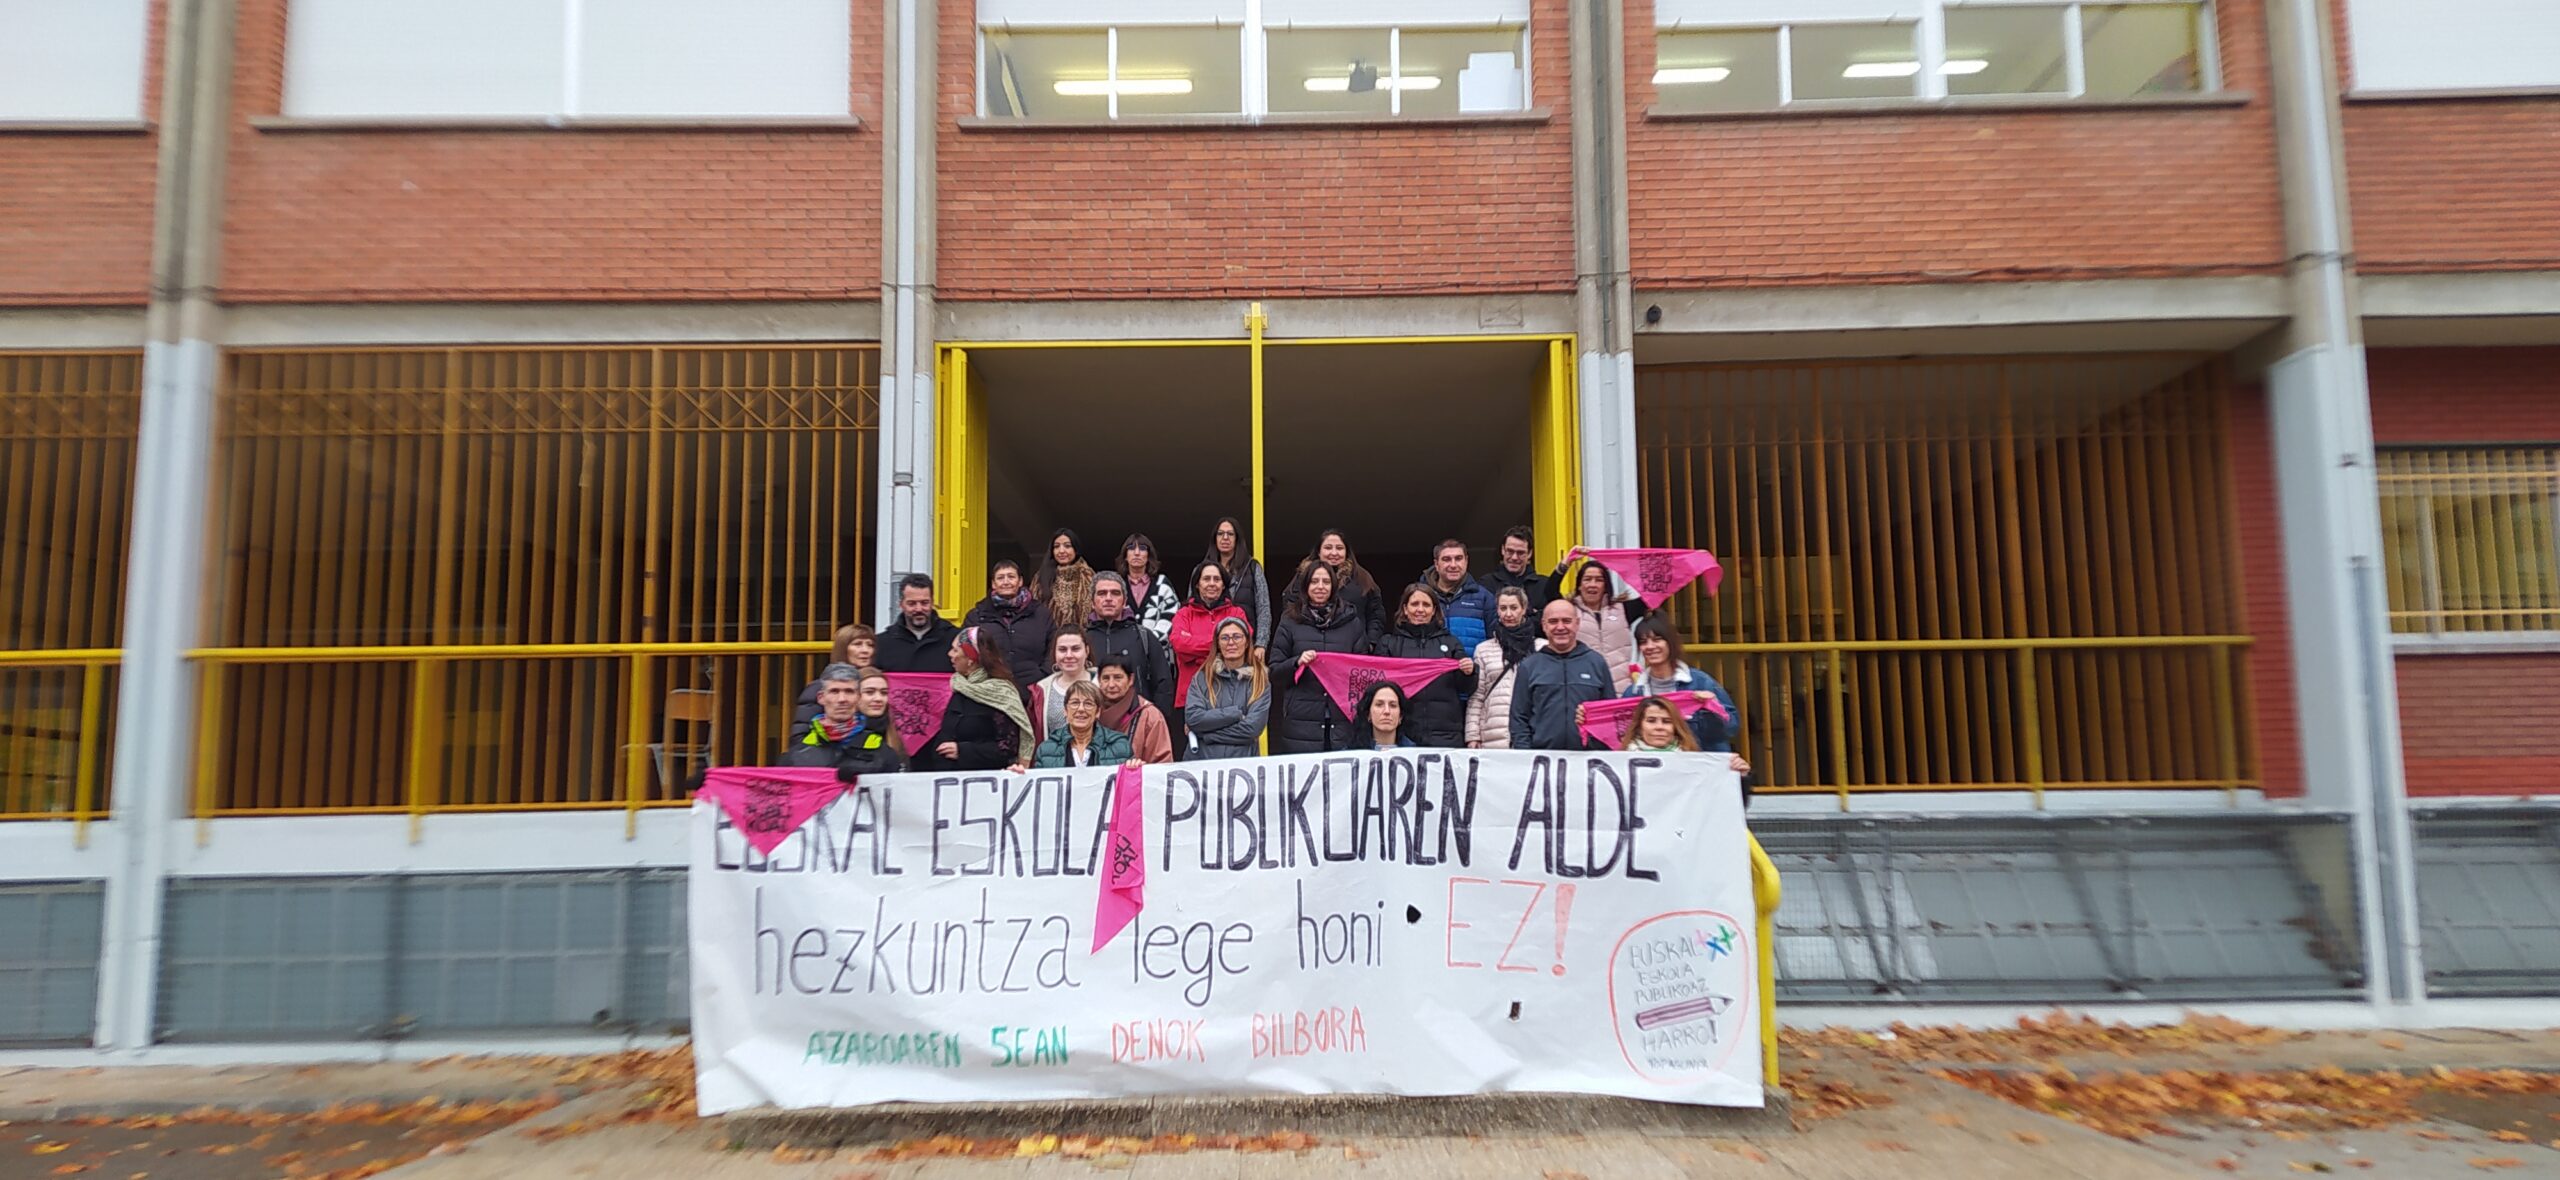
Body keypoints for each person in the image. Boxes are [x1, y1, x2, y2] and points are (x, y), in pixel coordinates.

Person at [1623, 614, 1751, 776]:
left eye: (1657, 639)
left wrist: (1713, 709)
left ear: (1671, 642)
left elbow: (1731, 728)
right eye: (1643, 642)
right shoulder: (1633, 693)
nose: (1650, 646)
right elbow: (1622, 737)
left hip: (1701, 776)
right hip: (1650, 777)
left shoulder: (1701, 682)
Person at [1267, 562, 1373, 753]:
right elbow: (1274, 672)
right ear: (1306, 586)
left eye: (1326, 581)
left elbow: (1362, 672)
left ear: (1333, 586)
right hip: (1301, 721)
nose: (1320, 586)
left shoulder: (1352, 622)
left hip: (1343, 719)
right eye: (1314, 581)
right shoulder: (1289, 621)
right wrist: (1297, 662)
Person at [911, 627, 1033, 772]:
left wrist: (963, 751)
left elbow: (1008, 747)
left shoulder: (1000, 693)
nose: (950, 654)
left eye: (955, 650)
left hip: (984, 779)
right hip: (947, 778)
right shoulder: (957, 685)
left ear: (970, 659)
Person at [1373, 583, 1476, 748]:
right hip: (1403, 734)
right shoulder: (1388, 643)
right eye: (1414, 604)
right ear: (1405, 609)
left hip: (1445, 734)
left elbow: (1466, 688)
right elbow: (1378, 685)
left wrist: (1469, 672)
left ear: (1434, 610)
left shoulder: (1451, 643)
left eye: (1426, 605)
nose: (1420, 610)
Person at [1510, 599, 1615, 750]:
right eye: (1553, 621)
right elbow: (1519, 718)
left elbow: (1610, 716)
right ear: (1544, 625)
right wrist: (1526, 754)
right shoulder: (1529, 666)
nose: (1560, 627)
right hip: (1542, 758)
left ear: (1577, 623)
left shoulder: (1597, 663)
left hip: (1589, 758)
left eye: (1566, 621)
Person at [1167, 559, 1247, 752]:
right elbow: (1178, 643)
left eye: (1217, 579)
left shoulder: (1236, 612)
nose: (1212, 583)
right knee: (1192, 757)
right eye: (1206, 579)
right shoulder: (1184, 613)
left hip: (1230, 696)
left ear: (1223, 585)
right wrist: (1219, 645)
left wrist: (1194, 651)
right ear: (1197, 584)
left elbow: (1243, 644)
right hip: (1190, 698)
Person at [1547, 547, 1650, 692]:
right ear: (1579, 585)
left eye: (1599, 580)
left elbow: (1652, 595)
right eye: (1587, 579)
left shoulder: (1623, 609)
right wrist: (1567, 562)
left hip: (1621, 690)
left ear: (1606, 586)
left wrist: (1625, 563)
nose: (1592, 584)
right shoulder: (1569, 611)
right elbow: (1549, 591)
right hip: (1583, 690)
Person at [780, 664, 905, 777]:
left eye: (849, 691)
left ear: (858, 697)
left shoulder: (883, 752)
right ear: (821, 698)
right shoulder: (796, 755)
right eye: (834, 691)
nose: (842, 699)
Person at [1085, 572, 1175, 715]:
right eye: (1102, 593)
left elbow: (1163, 685)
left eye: (1115, 593)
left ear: (1125, 601)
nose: (1108, 598)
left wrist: (1156, 719)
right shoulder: (1082, 640)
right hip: (1091, 721)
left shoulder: (1144, 636)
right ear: (1092, 602)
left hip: (1137, 719)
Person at [1466, 586, 1540, 749]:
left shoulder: (1541, 648)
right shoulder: (1483, 649)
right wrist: (1472, 735)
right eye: (1503, 608)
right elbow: (1477, 695)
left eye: (1514, 608)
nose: (1508, 614)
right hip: (1494, 733)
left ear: (1523, 609)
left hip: (1533, 733)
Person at [1185, 618, 1270, 759]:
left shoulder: (1259, 680)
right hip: (1202, 762)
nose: (1231, 642)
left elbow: (1252, 728)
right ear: (1218, 644)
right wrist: (1235, 714)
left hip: (1242, 763)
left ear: (1247, 642)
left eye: (1237, 637)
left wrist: (1206, 735)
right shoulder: (1201, 677)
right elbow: (1194, 718)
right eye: (1224, 638)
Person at [963, 559, 1053, 689]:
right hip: (990, 690)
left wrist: (1043, 675)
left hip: (1034, 689)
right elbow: (965, 651)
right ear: (993, 584)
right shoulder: (976, 616)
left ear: (1020, 581)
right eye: (1000, 578)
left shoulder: (1041, 613)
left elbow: (1053, 646)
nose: (1006, 582)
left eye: (1011, 577)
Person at [1289, 528, 1385, 647]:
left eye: (1339, 548)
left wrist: (1371, 643)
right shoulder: (1303, 577)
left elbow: (1376, 614)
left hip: (1351, 649)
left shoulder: (1362, 578)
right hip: (1309, 648)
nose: (1334, 553)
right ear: (1319, 552)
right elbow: (1290, 609)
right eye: (1328, 548)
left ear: (1346, 552)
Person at [1029, 680, 1138, 769]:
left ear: (1098, 712)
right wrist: (1020, 776)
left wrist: (1135, 769)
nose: (1081, 709)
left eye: (1088, 704)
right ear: (1065, 711)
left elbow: (1129, 783)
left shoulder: (1119, 746)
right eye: (1075, 703)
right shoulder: (1047, 749)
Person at [1094, 653, 1176, 764]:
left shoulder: (1149, 715)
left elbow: (1162, 763)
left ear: (1131, 679)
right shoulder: (1089, 712)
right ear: (1099, 680)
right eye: (1106, 678)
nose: (1111, 684)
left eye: (1118, 678)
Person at [1205, 517, 1271, 653]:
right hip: (1208, 646)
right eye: (1220, 533)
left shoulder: (1252, 567)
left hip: (1245, 644)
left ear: (1237, 539)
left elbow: (1263, 608)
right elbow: (1192, 605)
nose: (1225, 538)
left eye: (1230, 534)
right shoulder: (1202, 570)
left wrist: (1261, 644)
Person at [794, 623, 881, 723]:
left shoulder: (880, 684)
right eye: (857, 644)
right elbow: (804, 726)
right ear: (842, 648)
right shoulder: (819, 686)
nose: (866, 650)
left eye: (870, 645)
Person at [1422, 539, 1497, 652]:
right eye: (1446, 559)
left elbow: (1496, 642)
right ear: (1436, 564)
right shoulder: (1421, 597)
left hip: (1472, 663)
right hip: (1433, 663)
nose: (1453, 565)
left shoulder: (1484, 598)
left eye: (1458, 558)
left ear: (1466, 561)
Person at [876, 573, 960, 673]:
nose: (919, 609)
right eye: (911, 603)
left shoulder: (956, 640)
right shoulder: (881, 644)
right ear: (901, 604)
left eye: (924, 603)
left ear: (932, 603)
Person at [1025, 628, 1096, 746]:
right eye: (1062, 650)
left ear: (1086, 651)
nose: (1069, 655)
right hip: (1054, 756)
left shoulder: (1103, 685)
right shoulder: (1041, 691)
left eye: (1075, 649)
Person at [1117, 533, 1181, 643]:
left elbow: (1171, 618)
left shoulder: (1162, 584)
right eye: (1131, 548)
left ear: (1148, 556)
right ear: (1125, 556)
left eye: (1142, 548)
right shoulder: (1117, 585)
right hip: (1122, 650)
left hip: (1156, 650)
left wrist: (1148, 643)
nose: (1137, 553)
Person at [1032, 528, 1097, 636]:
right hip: (1049, 637)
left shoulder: (1088, 576)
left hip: (1082, 637)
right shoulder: (1041, 577)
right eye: (1056, 546)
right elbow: (1034, 610)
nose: (1061, 551)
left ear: (1075, 549)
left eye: (1067, 546)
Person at [1482, 526, 1553, 611]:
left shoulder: (1545, 586)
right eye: (1510, 551)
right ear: (1503, 550)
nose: (1514, 557)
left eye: (1520, 553)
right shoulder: (1486, 584)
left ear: (1530, 553)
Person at [1619, 696, 1698, 754]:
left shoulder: (1693, 759)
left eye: (1666, 721)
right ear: (1639, 726)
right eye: (1651, 721)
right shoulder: (1621, 760)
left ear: (1676, 727)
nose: (1659, 727)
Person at [1355, 680, 1417, 750]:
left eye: (1393, 705)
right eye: (1379, 705)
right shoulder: (1350, 754)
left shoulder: (1417, 753)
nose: (1387, 711)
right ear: (1368, 714)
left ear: (1400, 716)